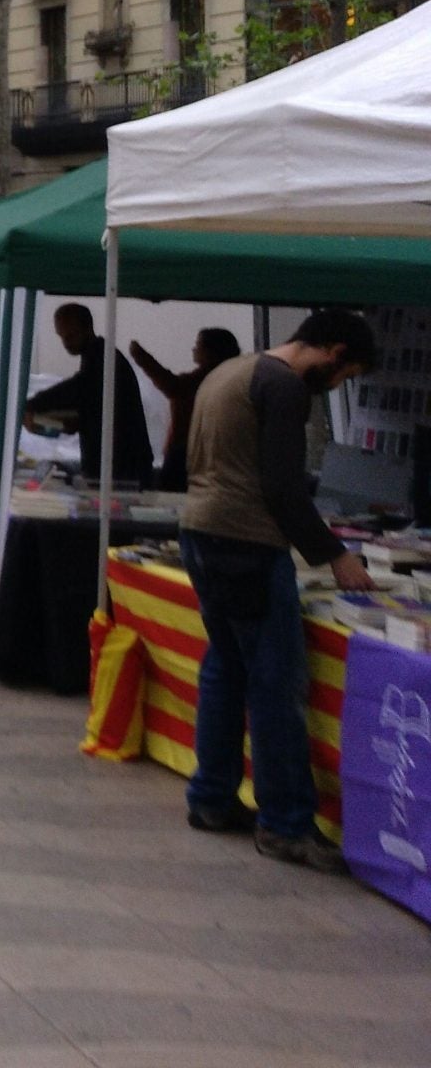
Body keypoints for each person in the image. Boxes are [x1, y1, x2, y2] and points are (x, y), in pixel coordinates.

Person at [179, 311, 378, 871]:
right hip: (247, 542)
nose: (337, 386)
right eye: (345, 374)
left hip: (201, 529)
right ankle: (286, 824)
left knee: (225, 667)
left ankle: (212, 798)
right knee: (275, 683)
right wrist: (335, 556)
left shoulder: (234, 370)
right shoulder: (286, 386)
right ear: (333, 352)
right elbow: (283, 488)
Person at [25, 303, 153, 486]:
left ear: (87, 328)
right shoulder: (98, 357)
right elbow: (89, 409)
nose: (66, 343)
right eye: (61, 337)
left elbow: (77, 389)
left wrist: (34, 404)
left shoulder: (103, 359)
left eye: (70, 335)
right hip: (114, 464)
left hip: (123, 468)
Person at [135, 327, 241, 491]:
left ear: (210, 352)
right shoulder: (232, 379)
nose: (194, 349)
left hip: (186, 453)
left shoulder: (203, 379)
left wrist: (142, 358)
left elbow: (173, 386)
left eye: (198, 345)